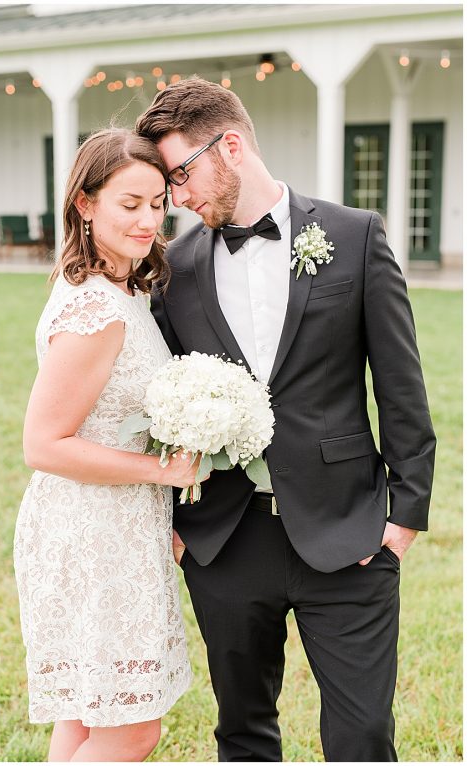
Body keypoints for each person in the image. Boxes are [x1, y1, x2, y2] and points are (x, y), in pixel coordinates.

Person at [136, 77, 435, 761]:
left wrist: (405, 519)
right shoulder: (173, 271)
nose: (176, 198)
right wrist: (178, 526)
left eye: (180, 174)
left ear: (231, 146)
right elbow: (153, 404)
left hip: (349, 532)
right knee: (243, 735)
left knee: (362, 739)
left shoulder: (355, 237)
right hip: (227, 543)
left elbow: (402, 384)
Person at [13, 128, 199, 762]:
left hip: (116, 522)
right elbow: (43, 444)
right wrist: (163, 470)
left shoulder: (124, 289)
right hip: (91, 534)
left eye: (157, 202)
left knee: (84, 723)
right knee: (131, 728)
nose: (149, 219)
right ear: (85, 205)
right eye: (129, 204)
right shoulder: (99, 309)